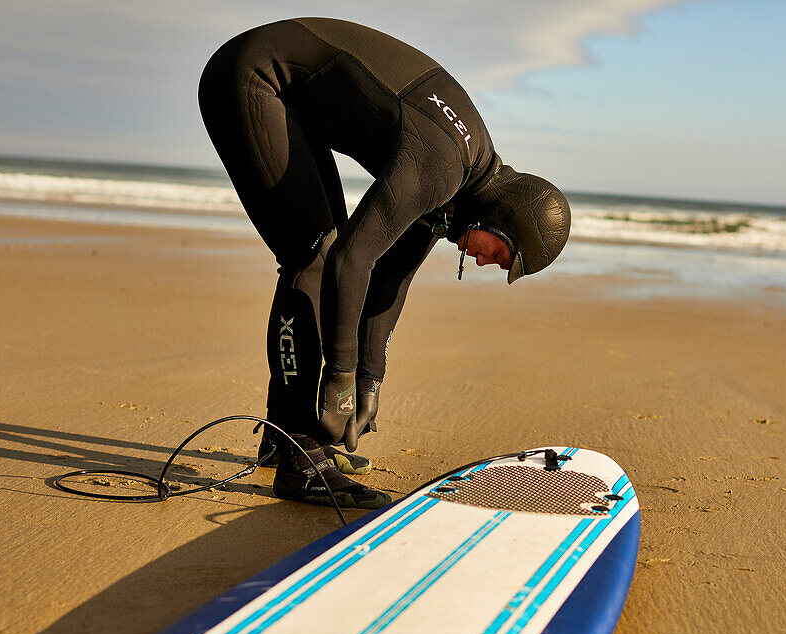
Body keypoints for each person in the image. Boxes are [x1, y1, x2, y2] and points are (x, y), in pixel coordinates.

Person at [198, 18, 571, 510]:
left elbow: (391, 274)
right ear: (502, 216)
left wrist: (370, 378)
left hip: (289, 97)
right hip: (253, 77)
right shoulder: (443, 164)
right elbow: (353, 260)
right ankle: (298, 459)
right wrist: (341, 378)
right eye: (498, 254)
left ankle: (283, 437)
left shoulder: (460, 186)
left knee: (321, 250)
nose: (484, 263)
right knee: (312, 258)